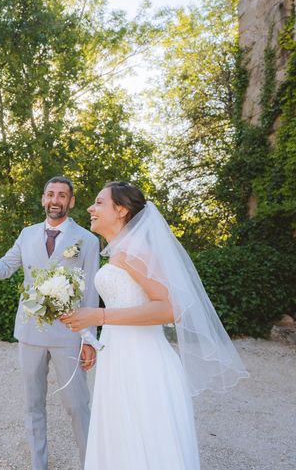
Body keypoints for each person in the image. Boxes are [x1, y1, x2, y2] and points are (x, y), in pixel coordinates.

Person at [60, 182, 249, 470]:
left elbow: (170, 308)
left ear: (120, 210)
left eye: (99, 202)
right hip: (118, 358)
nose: (90, 208)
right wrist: (89, 332)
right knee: (122, 444)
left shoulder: (134, 253)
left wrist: (99, 317)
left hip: (142, 364)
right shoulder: (118, 252)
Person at [0, 176, 101, 470]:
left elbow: (90, 294)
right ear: (42, 199)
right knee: (33, 405)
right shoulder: (27, 234)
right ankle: (39, 465)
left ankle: (91, 463)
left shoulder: (87, 240)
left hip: (69, 335)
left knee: (77, 407)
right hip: (30, 332)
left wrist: (89, 339)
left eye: (62, 195)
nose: (55, 200)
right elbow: (4, 269)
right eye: (50, 194)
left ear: (71, 202)